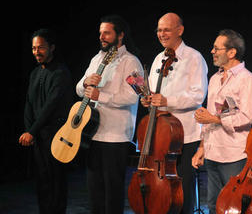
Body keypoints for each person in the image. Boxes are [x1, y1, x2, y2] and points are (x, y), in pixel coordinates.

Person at [141, 12, 208, 213]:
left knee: (182, 191)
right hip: (160, 135)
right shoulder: (158, 59)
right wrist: (148, 99)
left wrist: (167, 101)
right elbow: (154, 92)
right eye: (159, 30)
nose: (161, 34)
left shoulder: (194, 58)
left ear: (180, 30)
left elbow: (198, 96)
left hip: (184, 136)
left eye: (166, 29)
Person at [76, 15, 143, 214]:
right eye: (100, 33)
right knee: (95, 192)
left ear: (120, 35)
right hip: (93, 133)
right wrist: (86, 82)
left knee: (112, 193)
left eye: (107, 32)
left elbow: (133, 97)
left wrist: (101, 96)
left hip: (116, 136)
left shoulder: (132, 62)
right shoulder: (96, 58)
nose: (102, 37)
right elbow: (79, 89)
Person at [191, 29, 252, 214]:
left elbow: (247, 117)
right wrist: (201, 148)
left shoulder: (247, 79)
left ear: (232, 52)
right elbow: (208, 117)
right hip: (214, 152)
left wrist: (214, 118)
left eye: (216, 48)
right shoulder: (214, 78)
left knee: (234, 206)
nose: (212, 52)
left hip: (234, 155)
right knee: (214, 206)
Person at [18, 28, 74, 214]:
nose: (36, 52)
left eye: (41, 48)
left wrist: (31, 131)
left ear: (52, 47)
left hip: (56, 136)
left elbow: (50, 106)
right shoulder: (35, 73)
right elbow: (29, 103)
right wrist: (30, 131)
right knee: (42, 182)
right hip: (38, 137)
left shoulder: (61, 72)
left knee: (56, 181)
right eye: (34, 48)